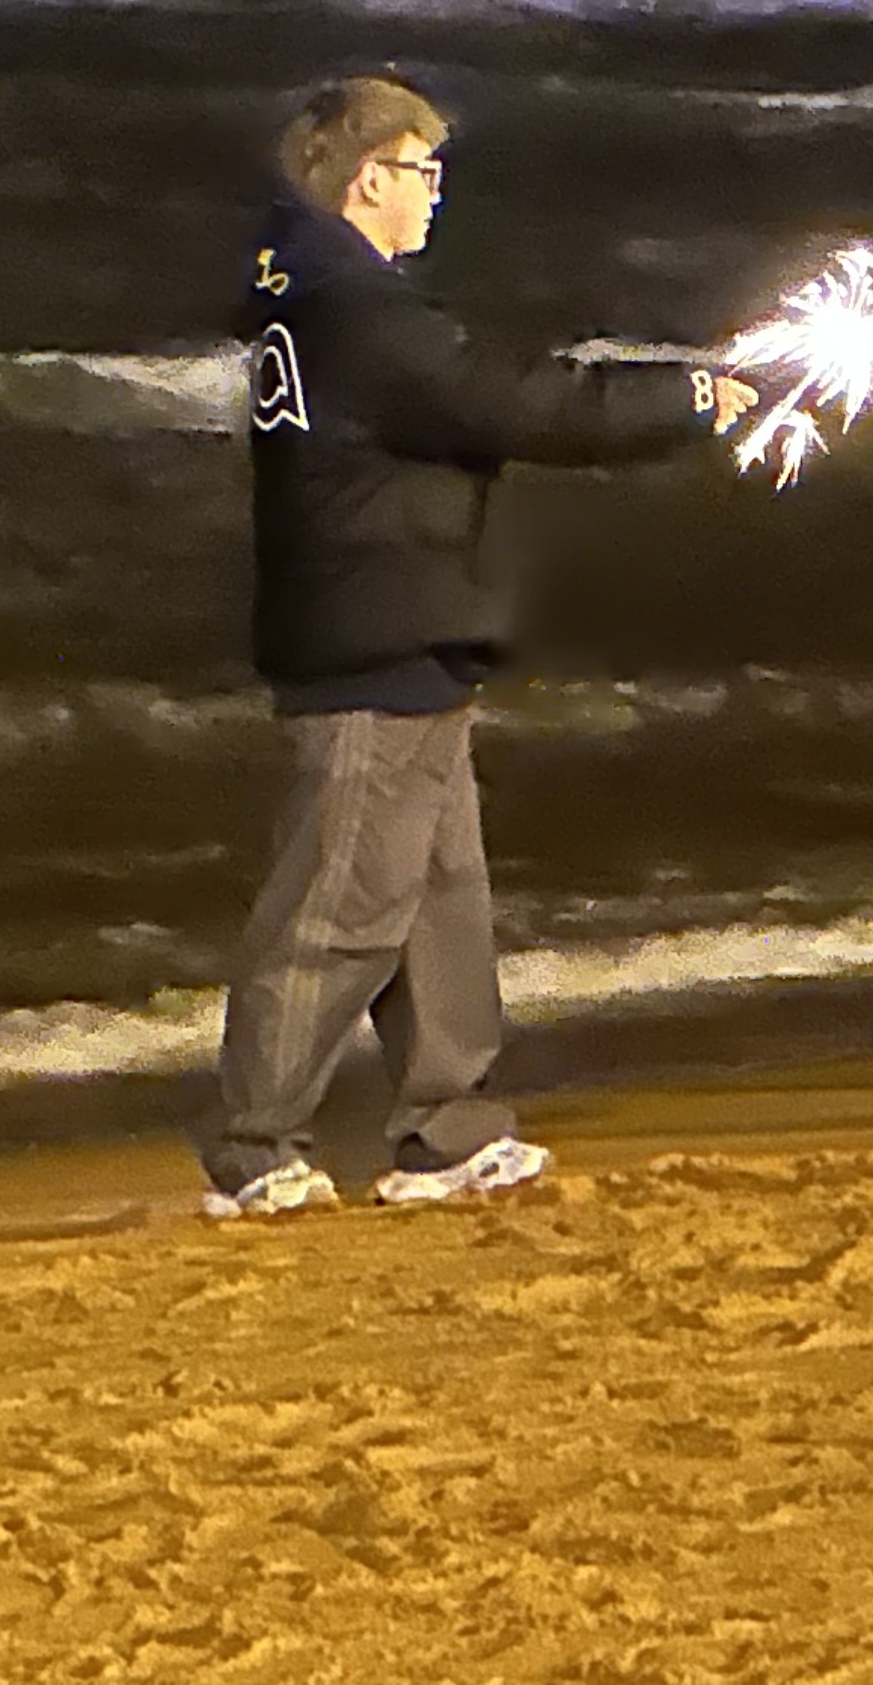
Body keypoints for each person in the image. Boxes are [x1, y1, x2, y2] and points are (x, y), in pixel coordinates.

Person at [205, 73, 755, 1219]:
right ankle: (256, 1150)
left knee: (438, 909)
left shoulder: (312, 297)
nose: (436, 192)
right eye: (424, 171)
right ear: (369, 179)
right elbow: (511, 402)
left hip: (407, 634)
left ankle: (447, 1134)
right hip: (371, 641)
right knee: (336, 913)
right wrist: (688, 401)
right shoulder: (361, 315)